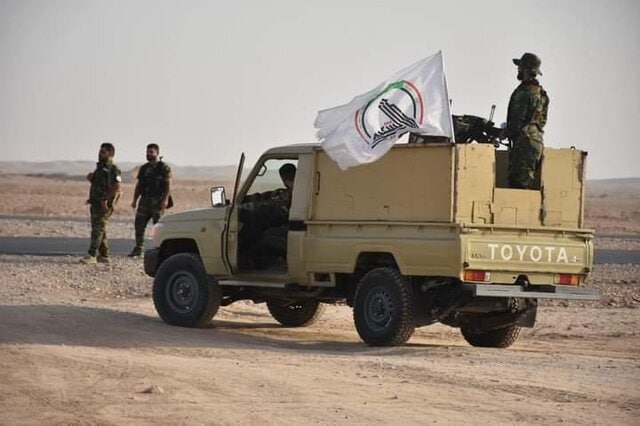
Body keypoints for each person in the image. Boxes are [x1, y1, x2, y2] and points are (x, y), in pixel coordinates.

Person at [503, 52, 550, 189]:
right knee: (525, 184)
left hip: (524, 144)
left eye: (520, 67)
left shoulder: (524, 92)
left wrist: (504, 133)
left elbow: (516, 123)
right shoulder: (542, 93)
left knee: (518, 187)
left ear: (526, 69)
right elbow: (541, 121)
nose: (518, 69)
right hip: (537, 143)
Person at [128, 143, 172, 257]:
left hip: (157, 201)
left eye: (151, 152)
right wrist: (134, 200)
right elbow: (139, 185)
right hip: (144, 201)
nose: (148, 154)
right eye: (147, 152)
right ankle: (139, 249)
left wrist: (165, 200)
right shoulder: (144, 168)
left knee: (158, 227)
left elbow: (168, 185)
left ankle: (160, 249)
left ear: (157, 153)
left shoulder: (163, 168)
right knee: (139, 225)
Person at [81, 142, 122, 264]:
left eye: (103, 152)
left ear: (110, 154)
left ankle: (92, 254)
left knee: (97, 229)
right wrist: (91, 178)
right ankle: (104, 255)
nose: (99, 154)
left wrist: (105, 200)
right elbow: (100, 184)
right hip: (96, 203)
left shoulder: (113, 169)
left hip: (104, 204)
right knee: (100, 228)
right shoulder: (100, 168)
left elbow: (117, 186)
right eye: (100, 151)